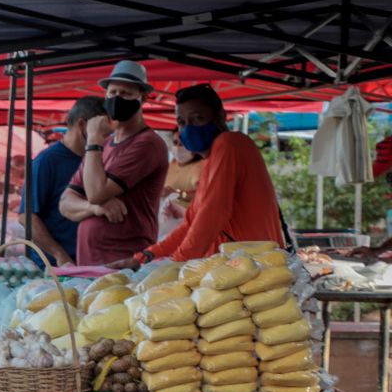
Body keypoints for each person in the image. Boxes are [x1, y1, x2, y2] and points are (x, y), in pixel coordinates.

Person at [109, 84, 285, 267]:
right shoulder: (211, 160)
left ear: (220, 117)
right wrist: (146, 256)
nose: (188, 128)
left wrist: (176, 264)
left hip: (253, 267)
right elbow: (191, 224)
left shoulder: (229, 144)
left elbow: (213, 214)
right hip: (240, 267)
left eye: (197, 119)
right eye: (182, 122)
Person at [58, 61, 169, 265]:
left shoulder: (147, 144)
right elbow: (65, 203)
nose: (117, 98)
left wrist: (92, 140)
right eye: (112, 92)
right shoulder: (105, 144)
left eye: (126, 93)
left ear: (142, 98)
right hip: (92, 262)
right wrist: (94, 208)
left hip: (124, 260)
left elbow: (96, 193)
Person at [22, 97, 106, 266]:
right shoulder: (47, 161)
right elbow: (26, 217)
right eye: (102, 131)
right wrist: (60, 255)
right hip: (55, 268)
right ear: (82, 125)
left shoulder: (98, 159)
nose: (105, 138)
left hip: (90, 263)